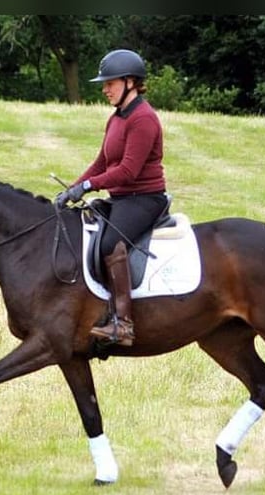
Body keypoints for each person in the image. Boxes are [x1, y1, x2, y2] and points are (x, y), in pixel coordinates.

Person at [55, 48, 169, 347]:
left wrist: (89, 186)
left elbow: (128, 171)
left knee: (109, 244)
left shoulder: (144, 119)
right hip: (122, 199)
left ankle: (123, 323)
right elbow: (102, 163)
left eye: (110, 82)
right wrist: (73, 188)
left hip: (144, 199)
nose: (105, 89)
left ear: (131, 82)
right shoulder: (116, 118)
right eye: (104, 84)